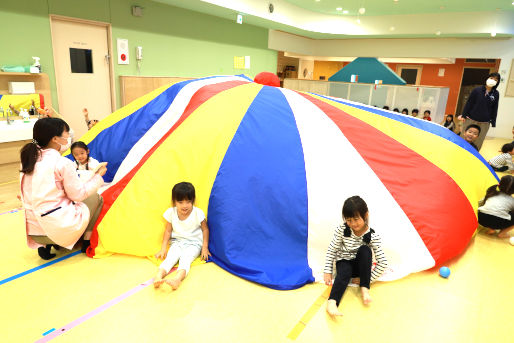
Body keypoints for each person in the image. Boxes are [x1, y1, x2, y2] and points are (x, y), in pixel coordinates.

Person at [19, 118, 106, 260]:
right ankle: (86, 240)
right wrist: (98, 177)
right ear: (55, 139)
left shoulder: (29, 159)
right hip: (55, 230)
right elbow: (78, 195)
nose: (69, 136)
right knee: (96, 197)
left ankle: (45, 246)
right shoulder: (61, 163)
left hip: (35, 231)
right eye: (66, 133)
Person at [324, 196, 388, 316]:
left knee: (365, 250)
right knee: (344, 270)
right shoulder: (342, 230)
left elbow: (383, 263)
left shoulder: (373, 236)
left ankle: (365, 289)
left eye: (356, 219)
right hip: (344, 262)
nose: (353, 224)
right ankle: (332, 302)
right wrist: (327, 271)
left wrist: (366, 279)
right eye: (349, 220)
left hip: (360, 268)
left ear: (366, 215)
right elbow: (332, 250)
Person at [153, 182, 211, 290]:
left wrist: (204, 247)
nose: (185, 206)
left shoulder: (198, 213)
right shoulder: (171, 212)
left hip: (194, 244)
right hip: (177, 242)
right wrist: (163, 248)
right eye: (180, 202)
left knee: (186, 259)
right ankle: (158, 276)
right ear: (174, 202)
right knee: (170, 258)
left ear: (193, 200)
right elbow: (167, 231)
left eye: (188, 202)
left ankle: (177, 279)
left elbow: (205, 229)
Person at [458, 72, 501, 151]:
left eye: (496, 80)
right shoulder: (477, 90)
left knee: (478, 141)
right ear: (487, 78)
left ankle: (474, 158)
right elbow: (469, 103)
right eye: (491, 78)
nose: (493, 80)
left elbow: (495, 108)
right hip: (471, 119)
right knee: (464, 138)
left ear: (497, 82)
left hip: (485, 122)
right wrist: (464, 115)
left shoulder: (496, 94)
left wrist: (493, 121)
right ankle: (459, 152)